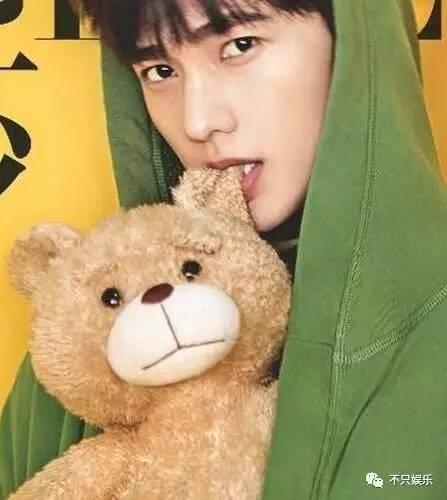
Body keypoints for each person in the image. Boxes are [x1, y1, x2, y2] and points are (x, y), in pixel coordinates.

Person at [1, 0, 447, 498]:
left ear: (353, 38)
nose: (198, 121)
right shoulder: (88, 338)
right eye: (159, 70)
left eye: (240, 45)